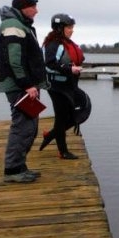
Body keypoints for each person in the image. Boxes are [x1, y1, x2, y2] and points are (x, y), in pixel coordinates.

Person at [0, 0, 49, 183]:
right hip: (20, 87)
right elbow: (14, 60)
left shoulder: (21, 25)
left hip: (26, 86)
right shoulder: (13, 26)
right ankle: (12, 170)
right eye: (33, 6)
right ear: (23, 7)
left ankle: (20, 166)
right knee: (22, 127)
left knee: (30, 126)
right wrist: (27, 84)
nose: (36, 10)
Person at [39, 13, 85, 159]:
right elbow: (50, 63)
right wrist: (70, 69)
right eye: (69, 27)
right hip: (57, 86)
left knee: (73, 115)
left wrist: (74, 68)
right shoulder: (53, 44)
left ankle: (51, 134)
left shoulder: (66, 43)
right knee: (61, 118)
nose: (72, 30)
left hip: (68, 85)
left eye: (72, 27)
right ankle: (63, 151)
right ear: (60, 28)